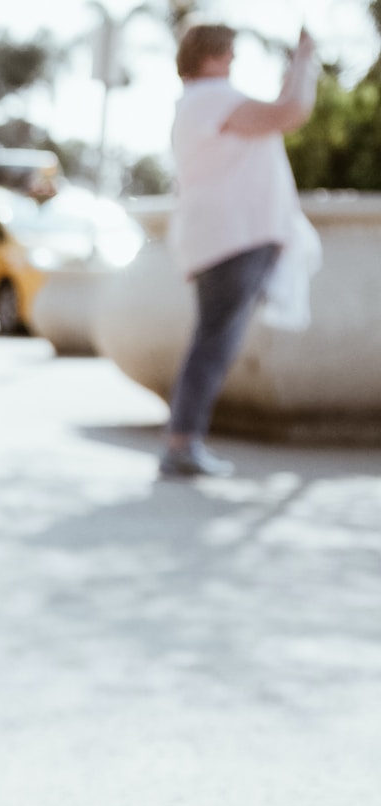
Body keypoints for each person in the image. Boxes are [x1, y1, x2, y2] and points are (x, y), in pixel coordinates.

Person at [162, 23, 318, 479]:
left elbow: (275, 112)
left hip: (225, 239)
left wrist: (296, 66)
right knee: (214, 343)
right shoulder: (211, 97)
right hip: (233, 240)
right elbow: (290, 112)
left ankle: (182, 442)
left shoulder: (200, 102)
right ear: (209, 56)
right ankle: (181, 444)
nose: (233, 59)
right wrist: (305, 60)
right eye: (228, 52)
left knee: (212, 340)